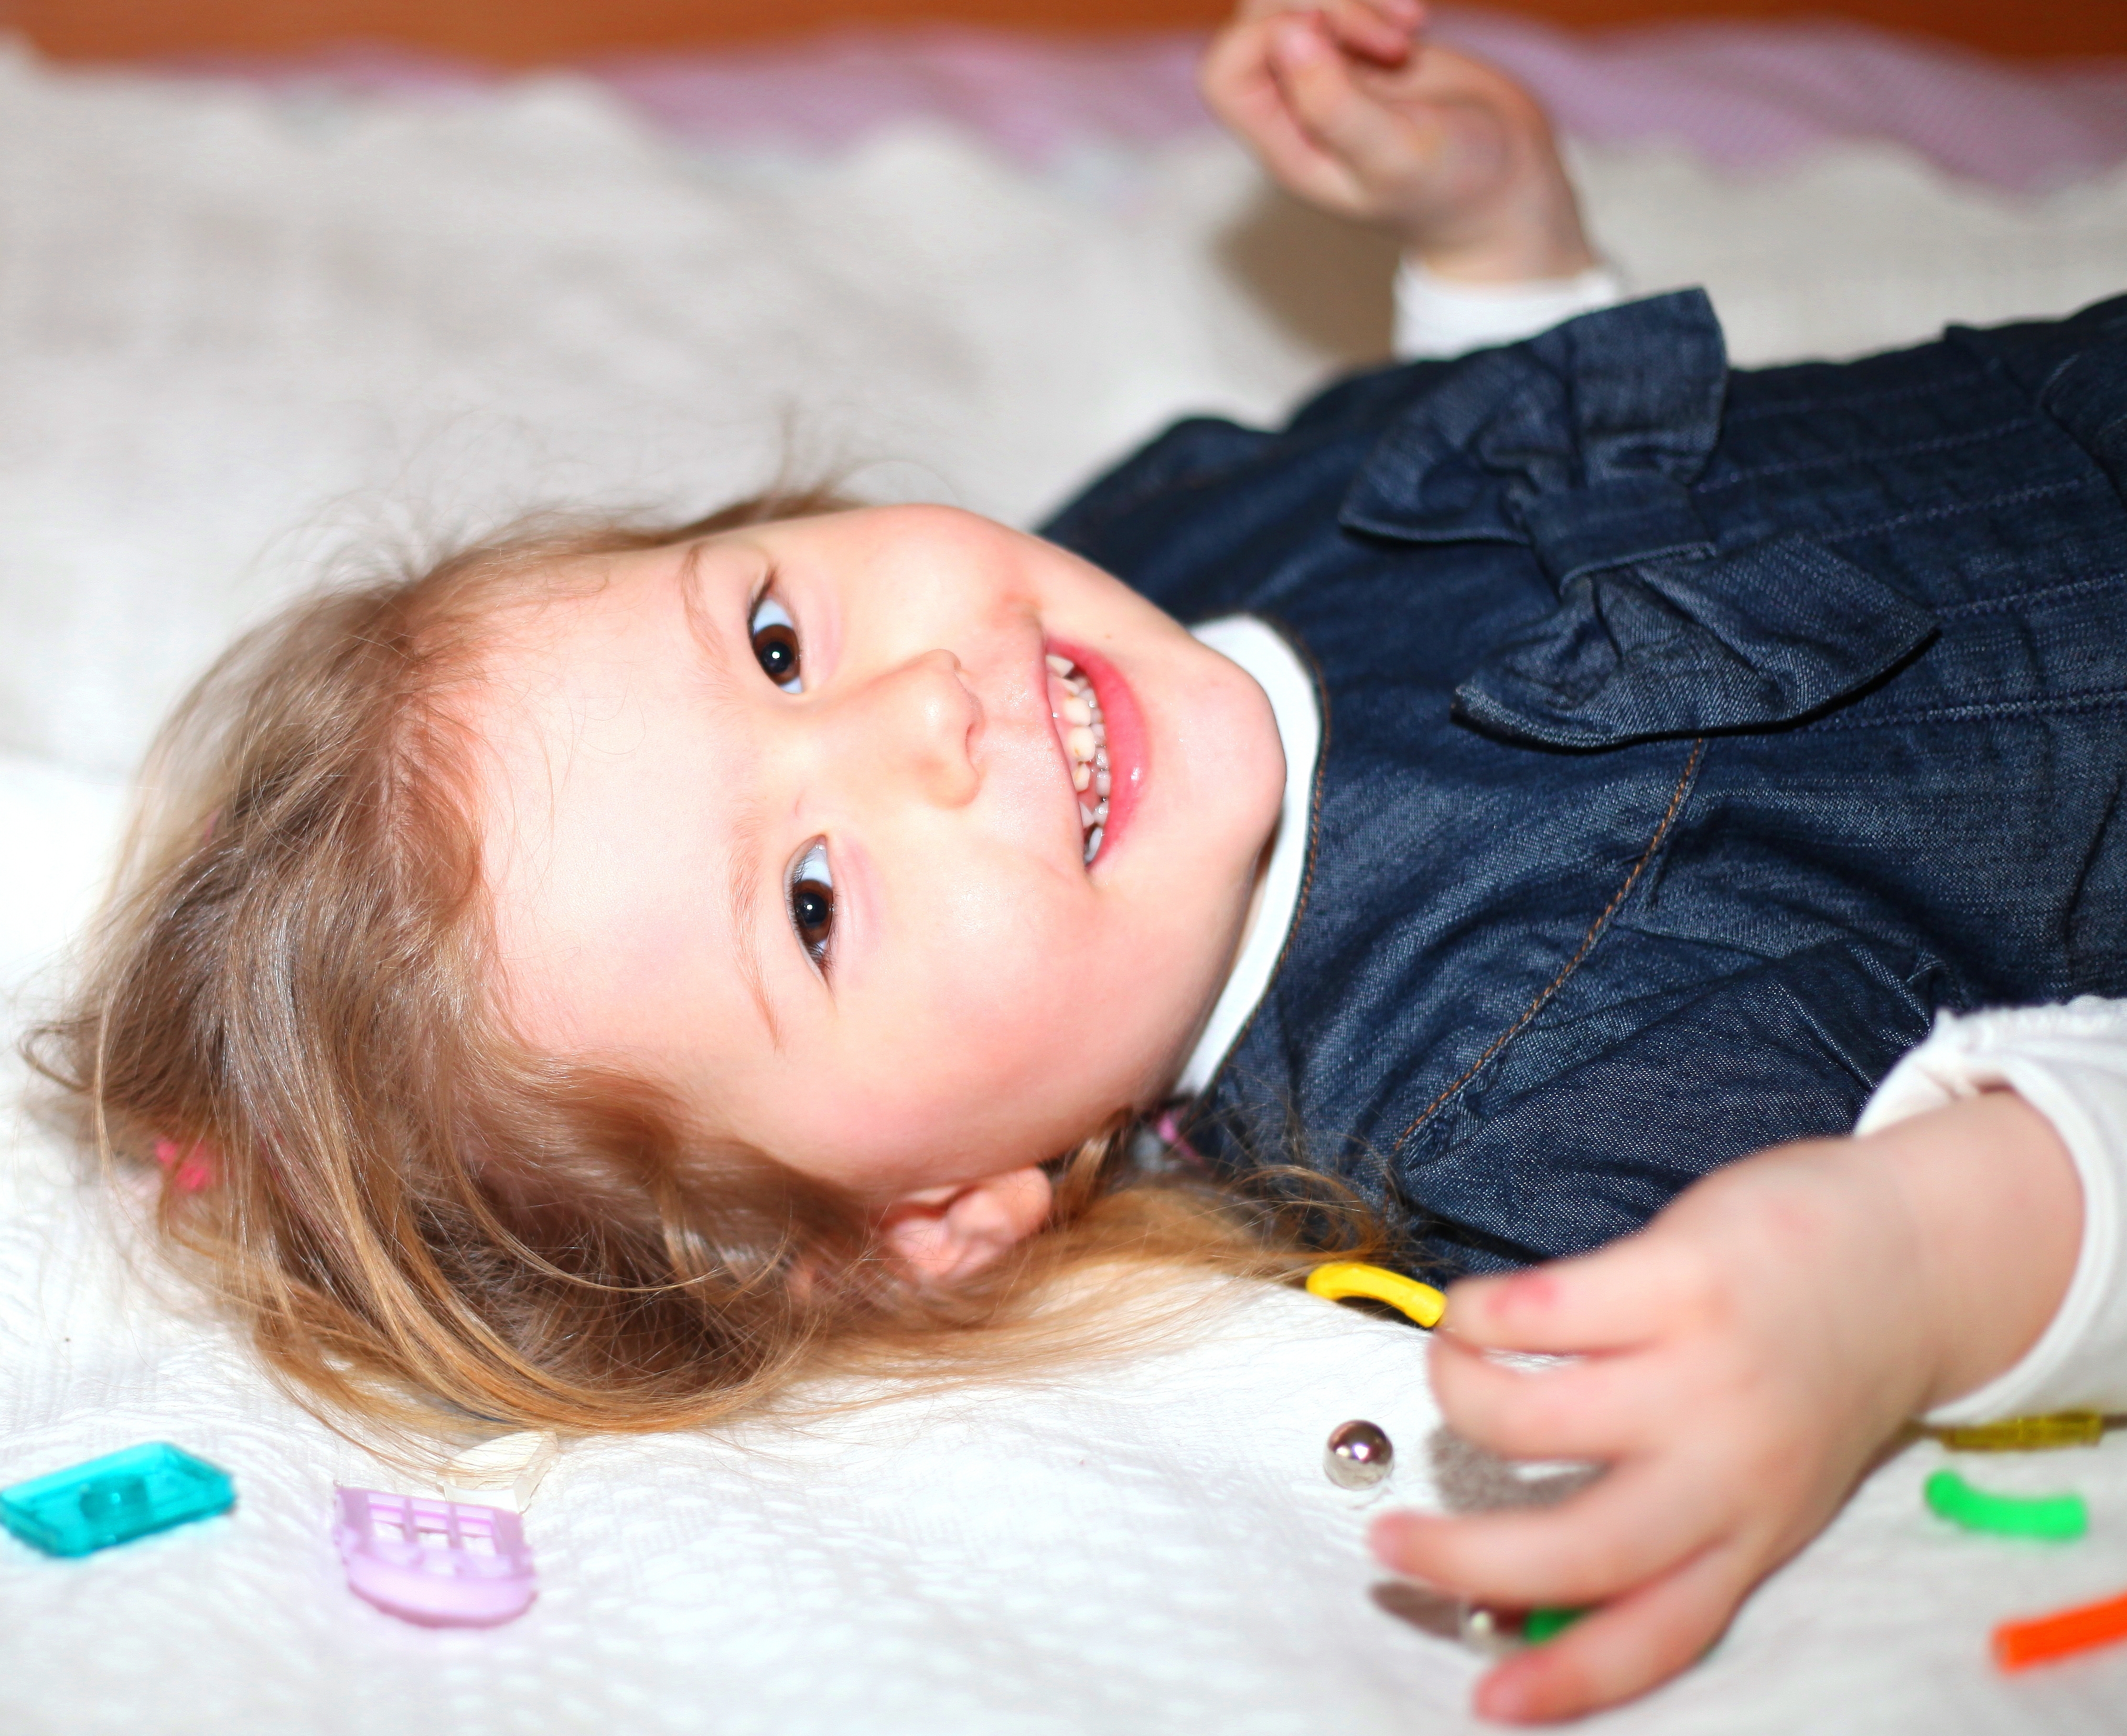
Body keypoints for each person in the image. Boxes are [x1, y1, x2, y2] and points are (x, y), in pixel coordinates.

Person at [31, 2, 2127, 1723]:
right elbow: (2066, 1100)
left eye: (777, 641)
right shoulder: (1523, 1098)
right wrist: (1905, 1280)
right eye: (818, 902)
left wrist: (1492, 251)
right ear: (927, 1221)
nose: (917, 715)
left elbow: (1503, 497)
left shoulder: (1149, 560)